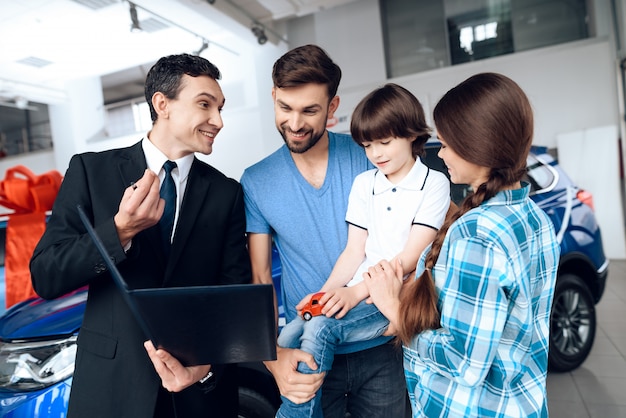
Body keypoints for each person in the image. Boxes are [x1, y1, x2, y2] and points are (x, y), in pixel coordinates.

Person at [30, 53, 251, 418]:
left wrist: (205, 368)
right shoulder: (90, 171)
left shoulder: (225, 192)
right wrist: (119, 231)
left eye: (220, 107)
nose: (219, 121)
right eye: (204, 105)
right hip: (112, 388)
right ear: (162, 104)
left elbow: (233, 295)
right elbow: (46, 275)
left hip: (196, 396)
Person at [364, 72, 560, 418]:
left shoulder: (476, 234)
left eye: (450, 144)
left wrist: (394, 308)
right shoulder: (535, 218)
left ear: (480, 145)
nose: (443, 154)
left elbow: (463, 362)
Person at [240, 45, 409, 418]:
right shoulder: (255, 181)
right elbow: (260, 278)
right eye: (285, 108)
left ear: (332, 108)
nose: (295, 123)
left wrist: (404, 312)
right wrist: (274, 357)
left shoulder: (370, 156)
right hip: (310, 354)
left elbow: (412, 235)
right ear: (273, 97)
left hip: (381, 346)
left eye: (310, 111)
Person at [274, 83, 451, 418]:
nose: (375, 153)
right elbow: (354, 251)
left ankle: (295, 413)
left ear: (412, 135)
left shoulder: (434, 184)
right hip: (360, 288)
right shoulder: (364, 183)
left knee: (320, 328)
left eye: (384, 142)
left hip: (392, 297)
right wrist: (323, 295)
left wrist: (353, 293)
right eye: (368, 145)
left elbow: (407, 259)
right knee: (293, 329)